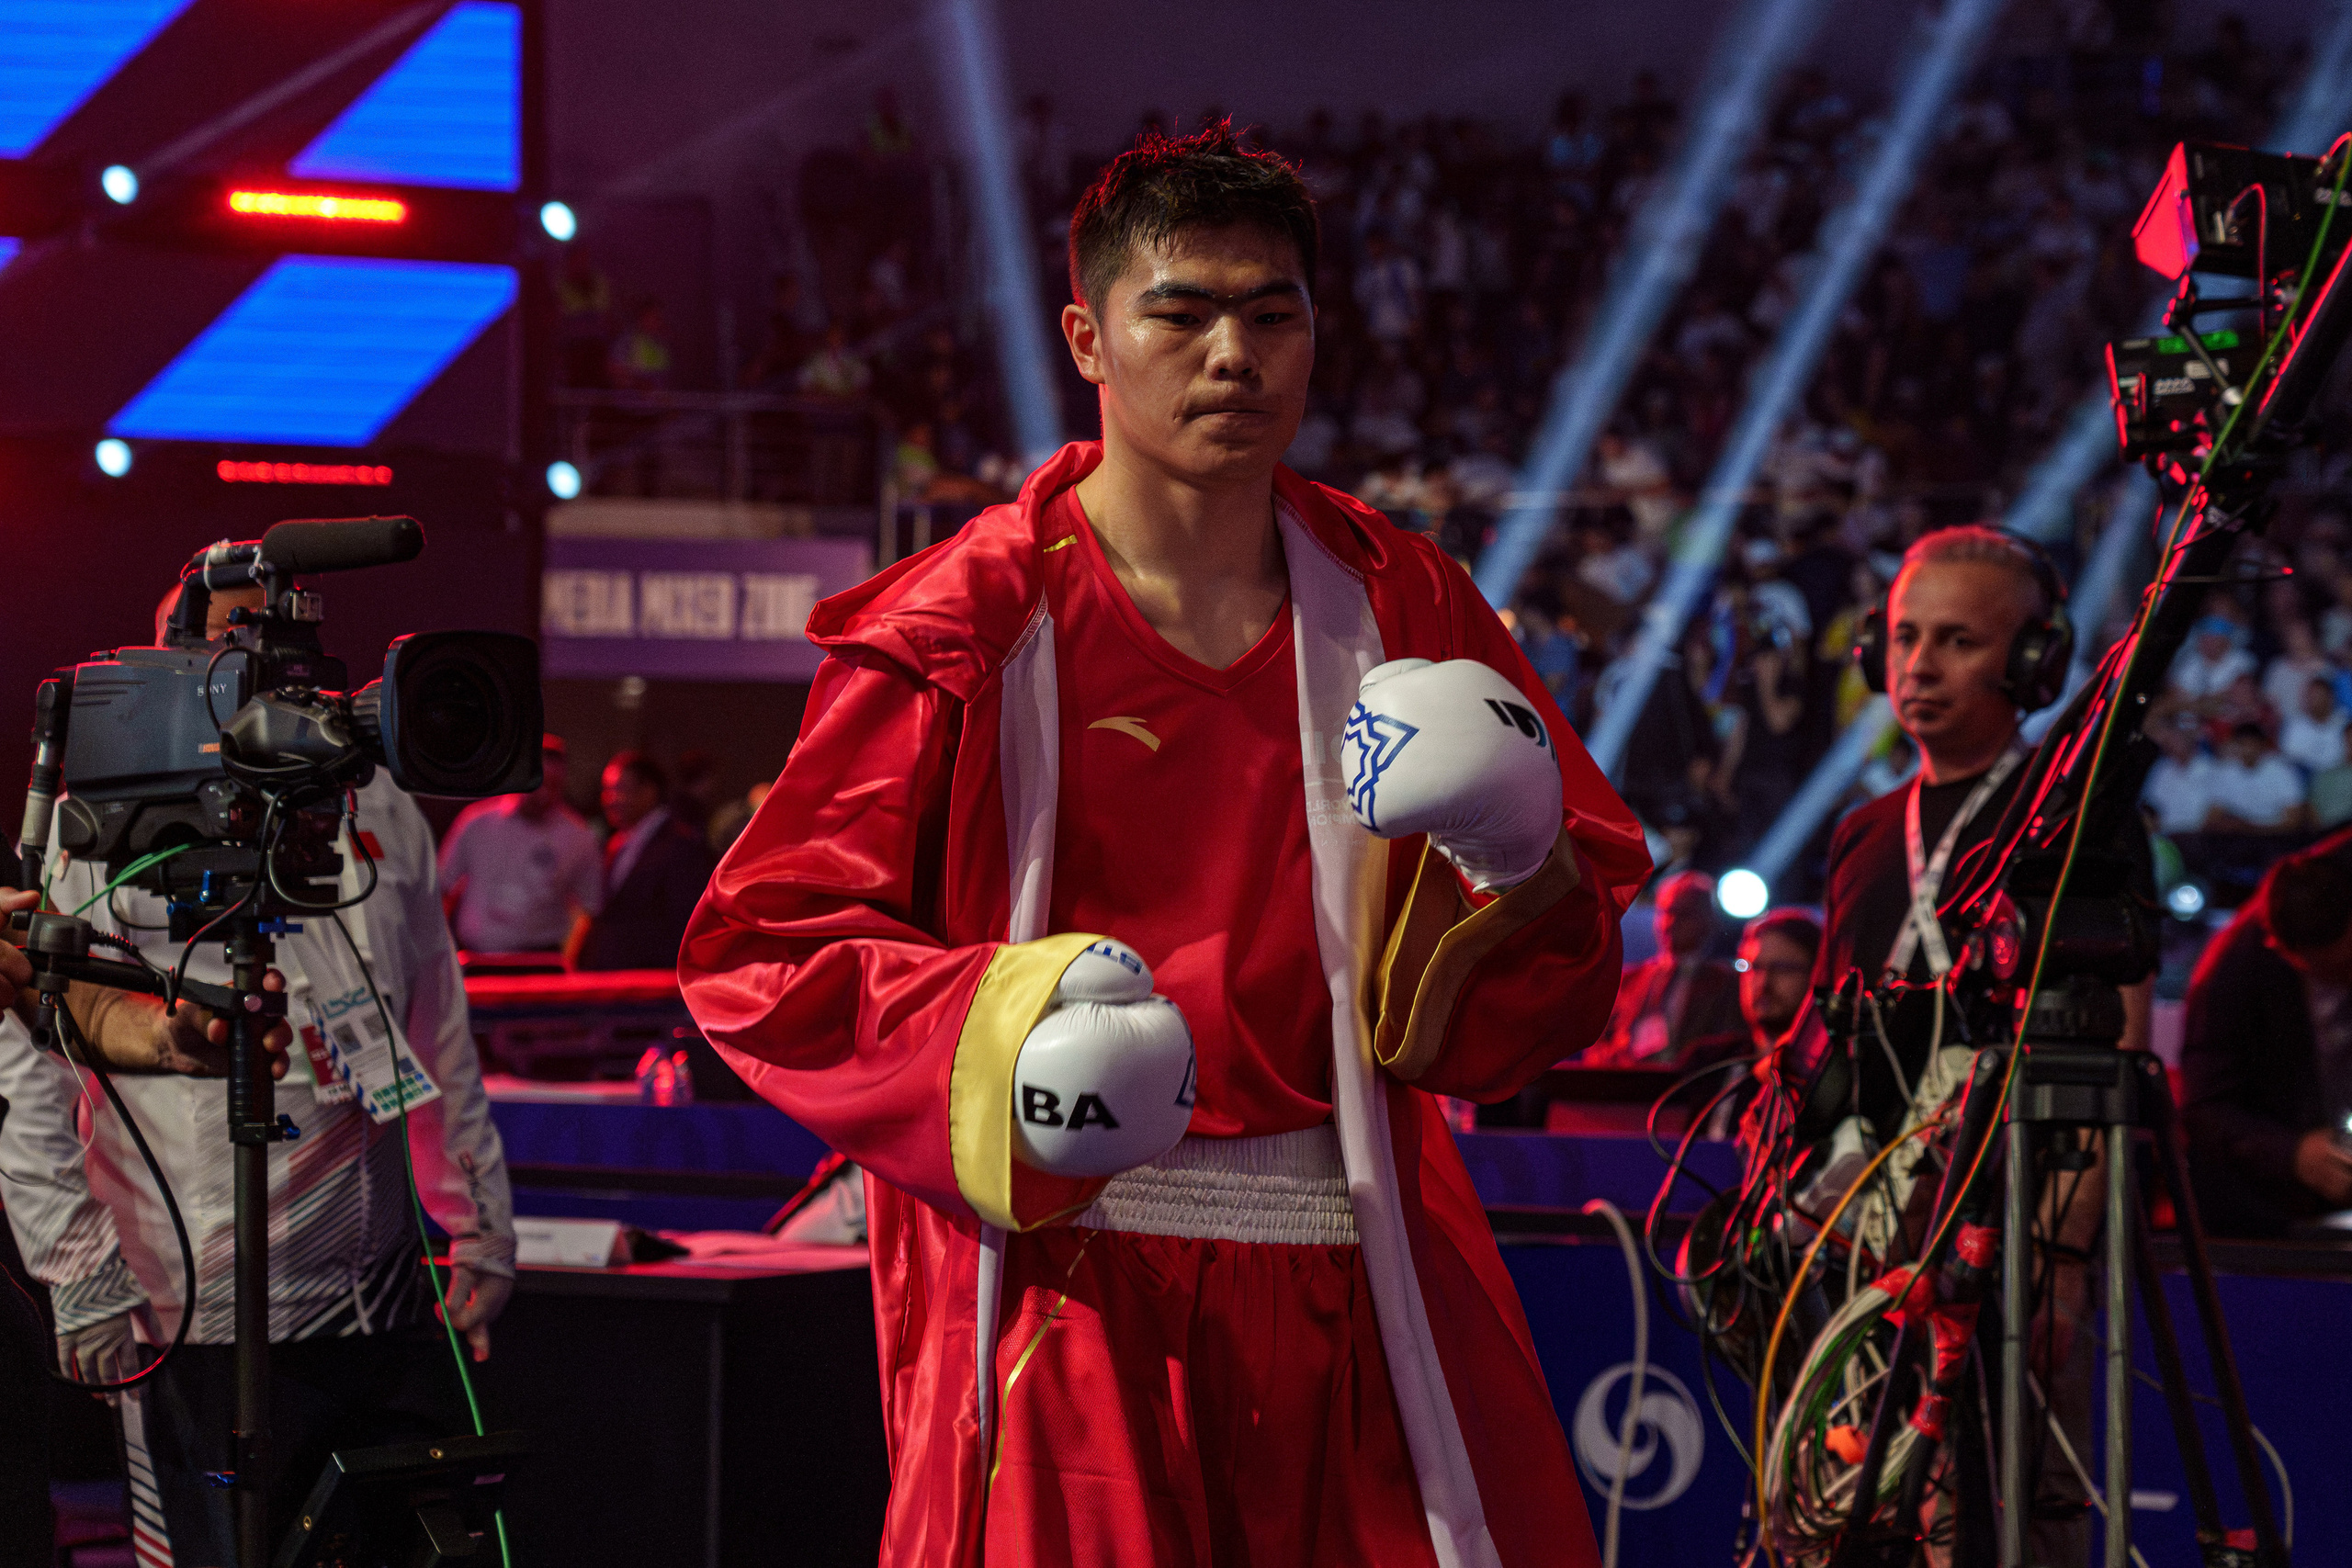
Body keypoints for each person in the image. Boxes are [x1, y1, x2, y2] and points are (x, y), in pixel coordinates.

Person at [678, 123, 1648, 1568]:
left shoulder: (1407, 601)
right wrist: (999, 1034)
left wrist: (1525, 873)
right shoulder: (966, 622)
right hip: (1074, 1285)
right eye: (1182, 312)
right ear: (1089, 334)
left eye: (1273, 314)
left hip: (1357, 1262)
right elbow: (759, 954)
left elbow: (1534, 1012)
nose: (1233, 355)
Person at [0, 579, 514, 1562]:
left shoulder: (378, 800)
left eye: (285, 650)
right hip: (194, 1308)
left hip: (382, 1295)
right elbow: (35, 1048)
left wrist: (481, 1220)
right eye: (235, 645)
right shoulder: (109, 813)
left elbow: (437, 1020)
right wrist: (79, 1271)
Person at [2180, 840, 2352, 1234]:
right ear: (2286, 953)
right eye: (2338, 970)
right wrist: (2295, 1156)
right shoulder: (2230, 973)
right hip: (2275, 1220)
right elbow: (2205, 1111)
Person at [436, 734, 605, 955]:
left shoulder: (578, 837)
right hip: (476, 956)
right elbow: (441, 888)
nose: (544, 794)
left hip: (540, 961)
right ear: (520, 776)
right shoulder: (477, 823)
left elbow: (591, 908)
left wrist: (571, 959)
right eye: (538, 783)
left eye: (553, 785)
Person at [575, 751, 718, 972]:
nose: (610, 800)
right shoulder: (619, 842)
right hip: (613, 981)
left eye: (620, 790)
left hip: (648, 985)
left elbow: (681, 923)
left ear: (649, 791)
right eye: (607, 790)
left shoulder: (681, 847)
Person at [1587, 871, 1742, 1069]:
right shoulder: (1625, 980)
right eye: (1666, 912)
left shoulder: (1726, 982)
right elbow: (1596, 1046)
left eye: (1684, 914)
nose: (1670, 923)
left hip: (1688, 1093)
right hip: (1627, 1089)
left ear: (1708, 920)